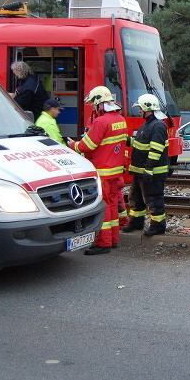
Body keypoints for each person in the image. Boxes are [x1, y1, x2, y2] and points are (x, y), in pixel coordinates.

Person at [67, 86, 127, 255]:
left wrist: (72, 145)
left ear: (98, 102)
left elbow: (88, 146)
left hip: (102, 172)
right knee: (113, 204)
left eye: (93, 104)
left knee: (103, 207)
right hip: (115, 172)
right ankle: (114, 239)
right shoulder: (120, 119)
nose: (92, 108)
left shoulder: (101, 122)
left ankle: (103, 243)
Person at [124, 93, 169, 237]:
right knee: (135, 198)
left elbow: (156, 150)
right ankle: (136, 222)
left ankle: (157, 226)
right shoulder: (147, 126)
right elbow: (140, 145)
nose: (139, 111)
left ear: (147, 108)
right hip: (140, 171)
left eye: (140, 109)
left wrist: (149, 169)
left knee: (153, 199)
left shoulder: (158, 126)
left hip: (152, 172)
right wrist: (126, 140)